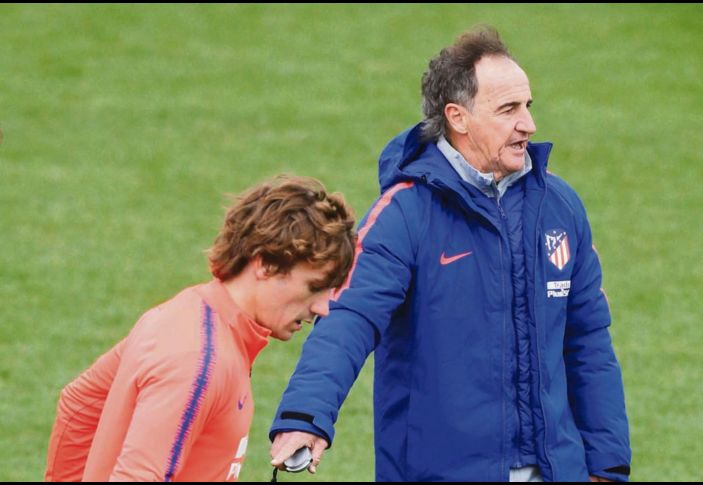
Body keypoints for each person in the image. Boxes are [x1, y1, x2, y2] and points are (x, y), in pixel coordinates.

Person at [269, 26, 631, 482]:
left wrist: (606, 463)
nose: (529, 124)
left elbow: (588, 341)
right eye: (509, 110)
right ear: (458, 118)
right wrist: (305, 416)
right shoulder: (406, 213)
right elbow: (351, 316)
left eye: (528, 106)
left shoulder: (559, 207)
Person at [44, 175, 356, 482]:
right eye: (314, 287)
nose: (322, 308)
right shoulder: (198, 361)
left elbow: (80, 404)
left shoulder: (185, 316)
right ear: (265, 264)